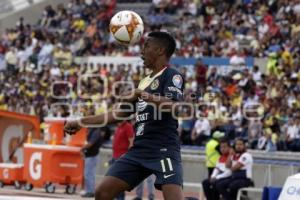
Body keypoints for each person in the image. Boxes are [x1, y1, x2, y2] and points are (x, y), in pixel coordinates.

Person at [64, 31, 185, 200]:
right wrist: (81, 121)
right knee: (102, 192)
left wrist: (141, 95)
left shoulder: (171, 75)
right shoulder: (144, 81)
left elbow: (174, 107)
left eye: (146, 46)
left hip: (163, 149)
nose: (141, 51)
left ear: (160, 50)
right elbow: (119, 114)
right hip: (139, 150)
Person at [112, 120, 135, 200]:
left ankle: (120, 198)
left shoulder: (127, 126)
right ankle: (117, 197)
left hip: (121, 157)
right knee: (114, 180)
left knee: (119, 180)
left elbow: (131, 142)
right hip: (115, 156)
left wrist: (126, 156)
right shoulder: (118, 126)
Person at [81, 127, 106, 198]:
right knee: (88, 173)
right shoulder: (94, 130)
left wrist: (82, 148)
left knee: (89, 174)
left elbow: (91, 143)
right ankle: (89, 191)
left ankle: (90, 191)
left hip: (92, 155)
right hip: (90, 154)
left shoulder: (96, 131)